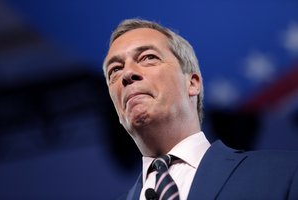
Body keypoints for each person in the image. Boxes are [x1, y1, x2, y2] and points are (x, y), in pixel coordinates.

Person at [103, 18, 298, 200]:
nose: (127, 73)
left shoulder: (284, 173)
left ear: (193, 83)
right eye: (115, 70)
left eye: (148, 57)